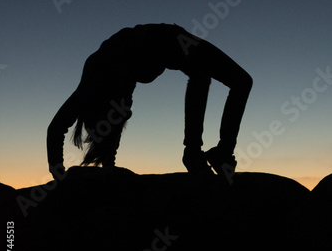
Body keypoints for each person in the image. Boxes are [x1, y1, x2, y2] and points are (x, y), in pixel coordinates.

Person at [47, 23, 252, 178]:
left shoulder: (92, 87)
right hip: (164, 41)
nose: (125, 115)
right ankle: (200, 152)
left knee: (235, 81)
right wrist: (107, 168)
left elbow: (56, 128)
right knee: (222, 78)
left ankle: (211, 152)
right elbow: (110, 131)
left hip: (161, 40)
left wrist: (58, 174)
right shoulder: (116, 97)